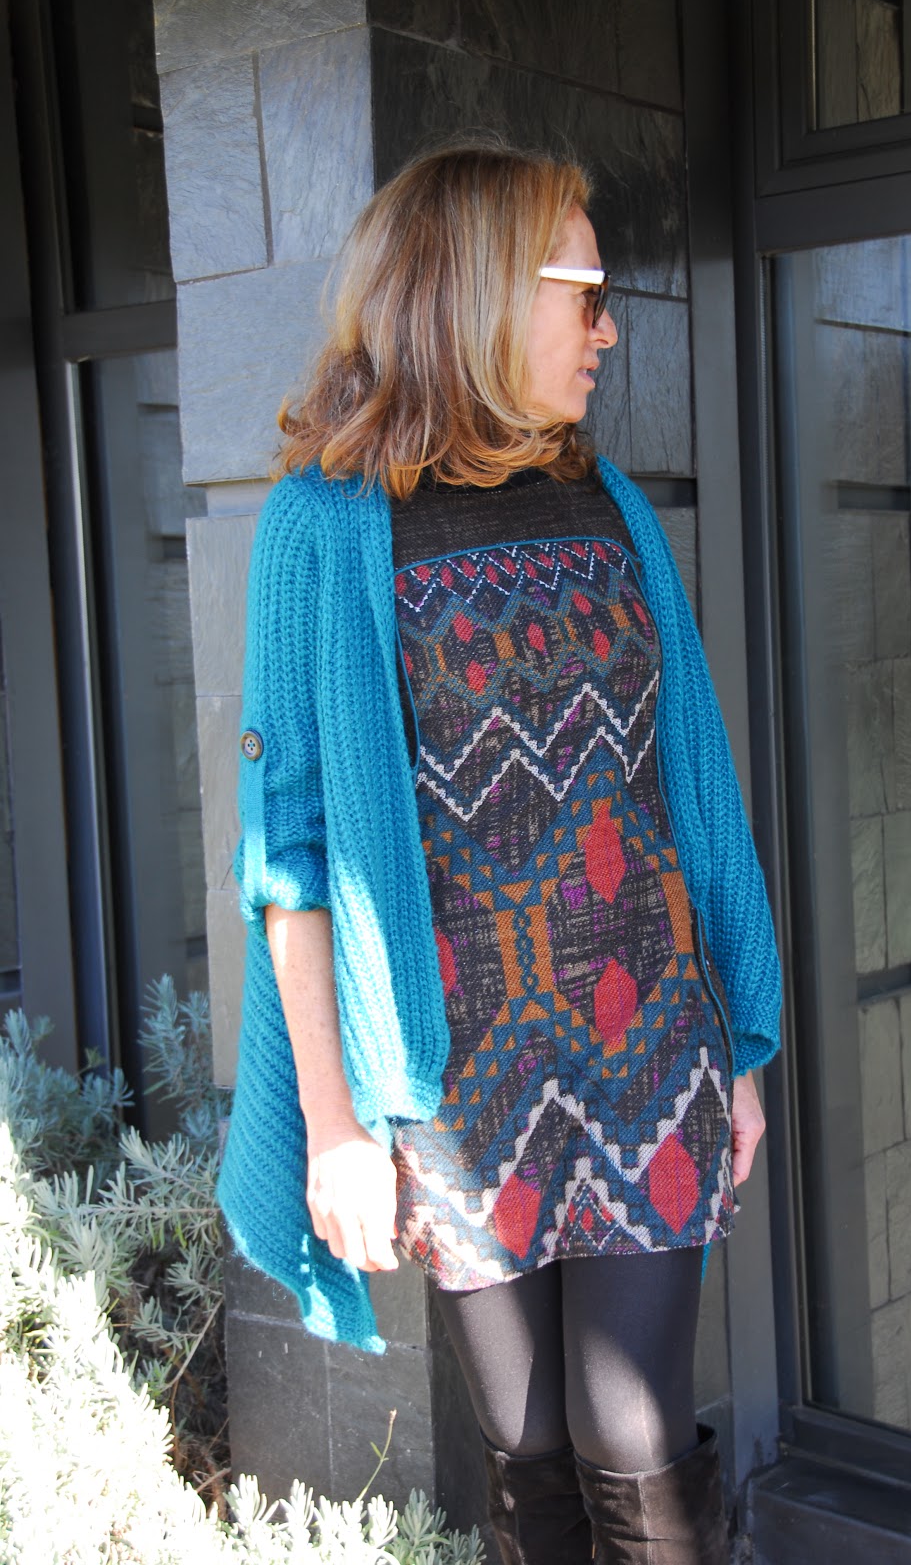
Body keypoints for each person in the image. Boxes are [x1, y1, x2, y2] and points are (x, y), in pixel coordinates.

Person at [219, 141, 782, 1565]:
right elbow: (293, 857)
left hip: (647, 1045)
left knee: (632, 1427)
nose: (607, 329)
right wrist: (337, 1126)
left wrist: (739, 1048)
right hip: (457, 1089)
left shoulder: (612, 509)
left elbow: (689, 796)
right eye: (584, 293)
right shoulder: (323, 528)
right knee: (526, 1445)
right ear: (476, 292)